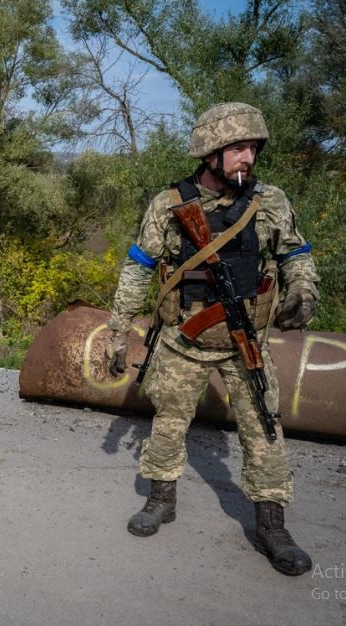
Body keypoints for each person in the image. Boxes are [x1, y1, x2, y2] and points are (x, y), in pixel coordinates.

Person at [104, 102, 319, 576]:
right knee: (168, 421)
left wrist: (303, 291)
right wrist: (118, 331)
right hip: (184, 340)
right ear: (210, 152)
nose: (248, 158)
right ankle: (161, 499)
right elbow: (139, 268)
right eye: (238, 148)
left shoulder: (271, 201)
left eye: (253, 148)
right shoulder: (169, 204)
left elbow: (296, 255)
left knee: (264, 428)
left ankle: (272, 526)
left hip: (246, 342)